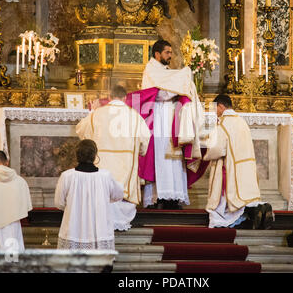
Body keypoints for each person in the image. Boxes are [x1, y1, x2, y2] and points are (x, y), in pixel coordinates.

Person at [137, 39, 205, 209]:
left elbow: (173, 88)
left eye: (171, 52)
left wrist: (180, 88)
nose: (170, 56)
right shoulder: (151, 70)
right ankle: (158, 197)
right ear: (157, 54)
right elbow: (157, 94)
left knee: (175, 157)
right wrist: (178, 88)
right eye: (167, 52)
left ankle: (174, 196)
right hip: (159, 117)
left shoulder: (167, 72)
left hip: (172, 116)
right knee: (160, 156)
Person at [75, 85, 151, 231]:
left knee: (104, 190)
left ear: (109, 97)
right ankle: (121, 222)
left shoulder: (98, 113)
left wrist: (92, 112)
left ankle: (102, 221)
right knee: (122, 191)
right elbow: (145, 138)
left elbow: (81, 130)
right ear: (125, 98)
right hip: (125, 162)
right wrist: (140, 151)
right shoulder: (134, 115)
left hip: (102, 160)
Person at [203, 94, 273, 229]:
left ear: (221, 106)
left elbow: (217, 149)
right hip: (245, 166)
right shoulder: (241, 121)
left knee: (226, 200)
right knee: (242, 196)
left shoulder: (223, 124)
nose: (215, 113)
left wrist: (206, 153)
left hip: (229, 167)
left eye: (215, 109)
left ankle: (246, 215)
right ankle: (257, 210)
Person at [54, 139, 124, 250]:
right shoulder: (105, 176)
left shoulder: (67, 176)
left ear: (77, 155)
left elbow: (59, 202)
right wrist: (104, 200)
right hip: (99, 230)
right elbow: (119, 194)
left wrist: (73, 208)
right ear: (95, 155)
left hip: (74, 227)